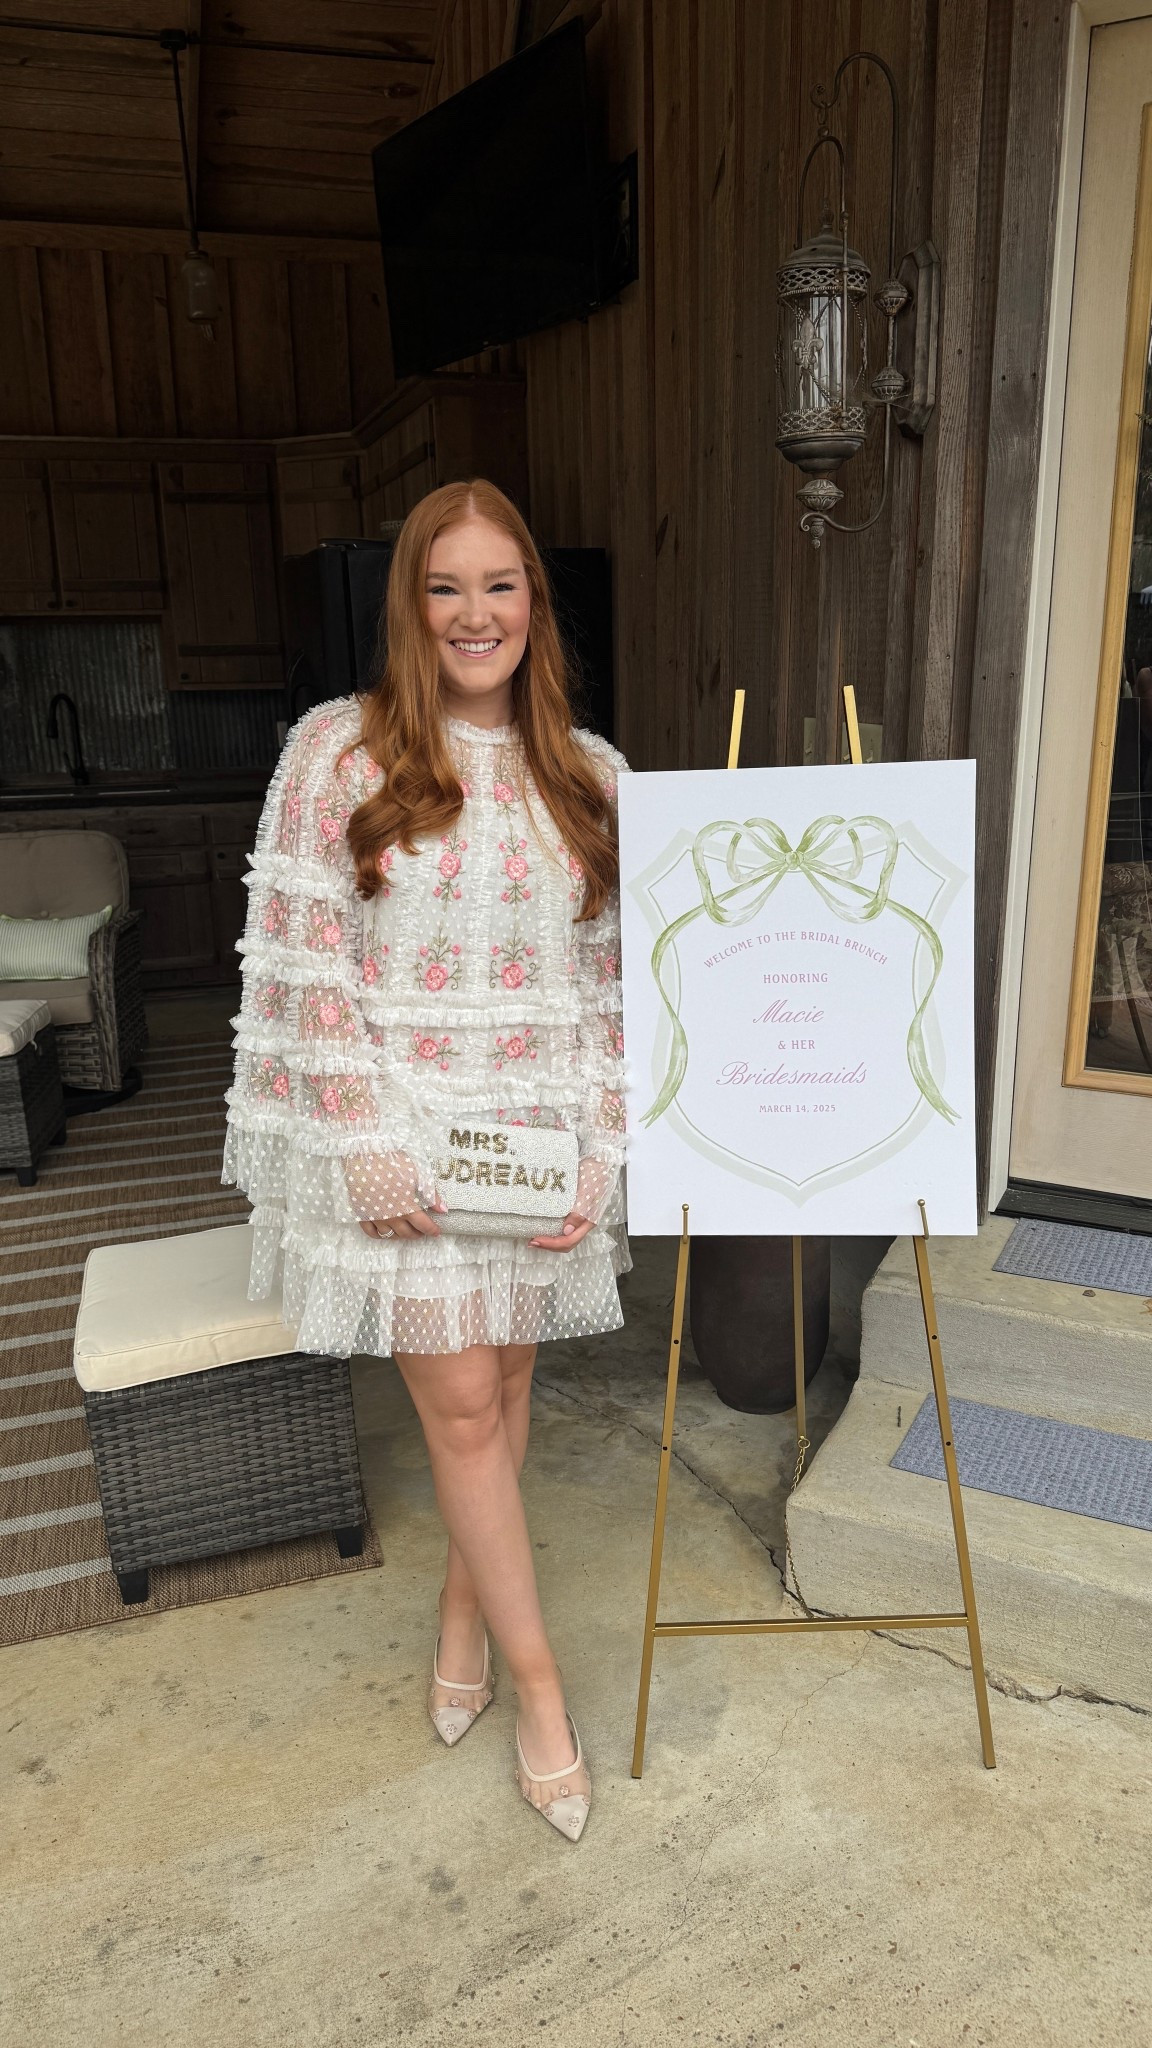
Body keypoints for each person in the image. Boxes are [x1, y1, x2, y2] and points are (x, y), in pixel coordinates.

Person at [224, 480, 629, 1842]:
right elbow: (305, 966)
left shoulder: (593, 775)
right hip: (406, 1143)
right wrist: (363, 1144)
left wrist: (601, 1151)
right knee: (461, 1407)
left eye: (499, 585)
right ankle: (543, 1694)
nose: (474, 614)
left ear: (534, 603)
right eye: (445, 586)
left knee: (501, 1389)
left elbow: (609, 988)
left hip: (534, 1140)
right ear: (411, 605)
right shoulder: (335, 754)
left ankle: (463, 1613)